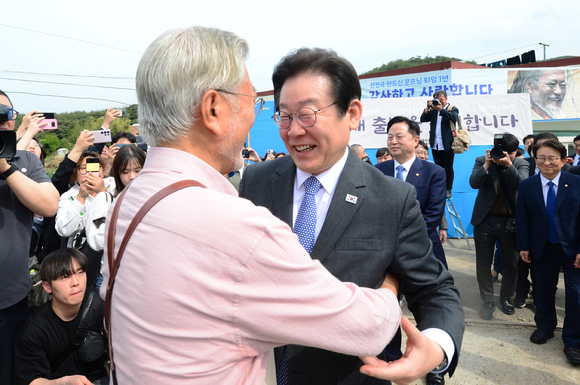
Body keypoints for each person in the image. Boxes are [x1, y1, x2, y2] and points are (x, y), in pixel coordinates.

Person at [100, 26, 403, 385]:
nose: (284, 127)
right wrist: (390, 286)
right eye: (252, 104)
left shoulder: (125, 204)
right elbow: (366, 329)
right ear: (213, 109)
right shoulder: (238, 228)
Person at [240, 47, 464, 385]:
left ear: (353, 113)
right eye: (284, 116)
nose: (293, 131)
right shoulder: (257, 181)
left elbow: (434, 289)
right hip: (259, 372)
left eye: (307, 114)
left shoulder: (391, 199)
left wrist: (436, 346)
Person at [0, 90, 59, 383]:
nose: (1, 121)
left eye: (6, 115)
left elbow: (49, 205)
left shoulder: (26, 160)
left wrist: (6, 168)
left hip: (11, 301)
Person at [516, 139, 580, 366]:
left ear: (563, 160)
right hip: (542, 247)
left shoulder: (576, 183)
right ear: (535, 160)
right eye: (541, 158)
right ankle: (545, 326)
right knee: (542, 290)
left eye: (553, 158)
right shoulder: (527, 185)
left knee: (576, 294)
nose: (547, 162)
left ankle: (573, 341)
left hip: (573, 249)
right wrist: (523, 246)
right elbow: (522, 218)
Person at [13, 248, 109, 385]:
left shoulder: (100, 304)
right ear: (47, 287)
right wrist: (64, 382)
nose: (76, 282)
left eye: (80, 272)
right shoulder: (34, 330)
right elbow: (30, 380)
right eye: (65, 277)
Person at [469, 132, 529, 320]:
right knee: (483, 265)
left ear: (515, 152)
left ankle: (506, 298)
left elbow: (524, 185)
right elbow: (473, 183)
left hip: (510, 222)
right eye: (502, 152)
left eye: (509, 153)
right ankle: (487, 301)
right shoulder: (482, 160)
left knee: (511, 266)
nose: (504, 156)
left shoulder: (520, 163)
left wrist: (509, 165)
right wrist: (487, 164)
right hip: (484, 221)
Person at [376, 116, 448, 270]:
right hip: (385, 252)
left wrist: (402, 238)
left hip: (422, 247)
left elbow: (434, 213)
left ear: (416, 140)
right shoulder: (377, 171)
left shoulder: (434, 172)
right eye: (390, 137)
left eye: (399, 137)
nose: (393, 141)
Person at [55, 151, 115, 288]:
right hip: (83, 264)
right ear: (75, 172)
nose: (90, 172)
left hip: (111, 263)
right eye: (83, 168)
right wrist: (81, 198)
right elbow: (63, 230)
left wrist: (103, 193)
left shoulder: (112, 185)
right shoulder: (68, 196)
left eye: (95, 166)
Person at [420, 90, 458, 198]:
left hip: (447, 143)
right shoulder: (433, 110)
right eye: (437, 100)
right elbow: (423, 119)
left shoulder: (452, 108)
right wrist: (427, 108)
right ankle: (439, 187)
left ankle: (448, 189)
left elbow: (454, 118)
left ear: (446, 99)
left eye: (441, 99)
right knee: (438, 167)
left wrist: (441, 110)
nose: (439, 102)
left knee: (448, 167)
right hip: (435, 143)